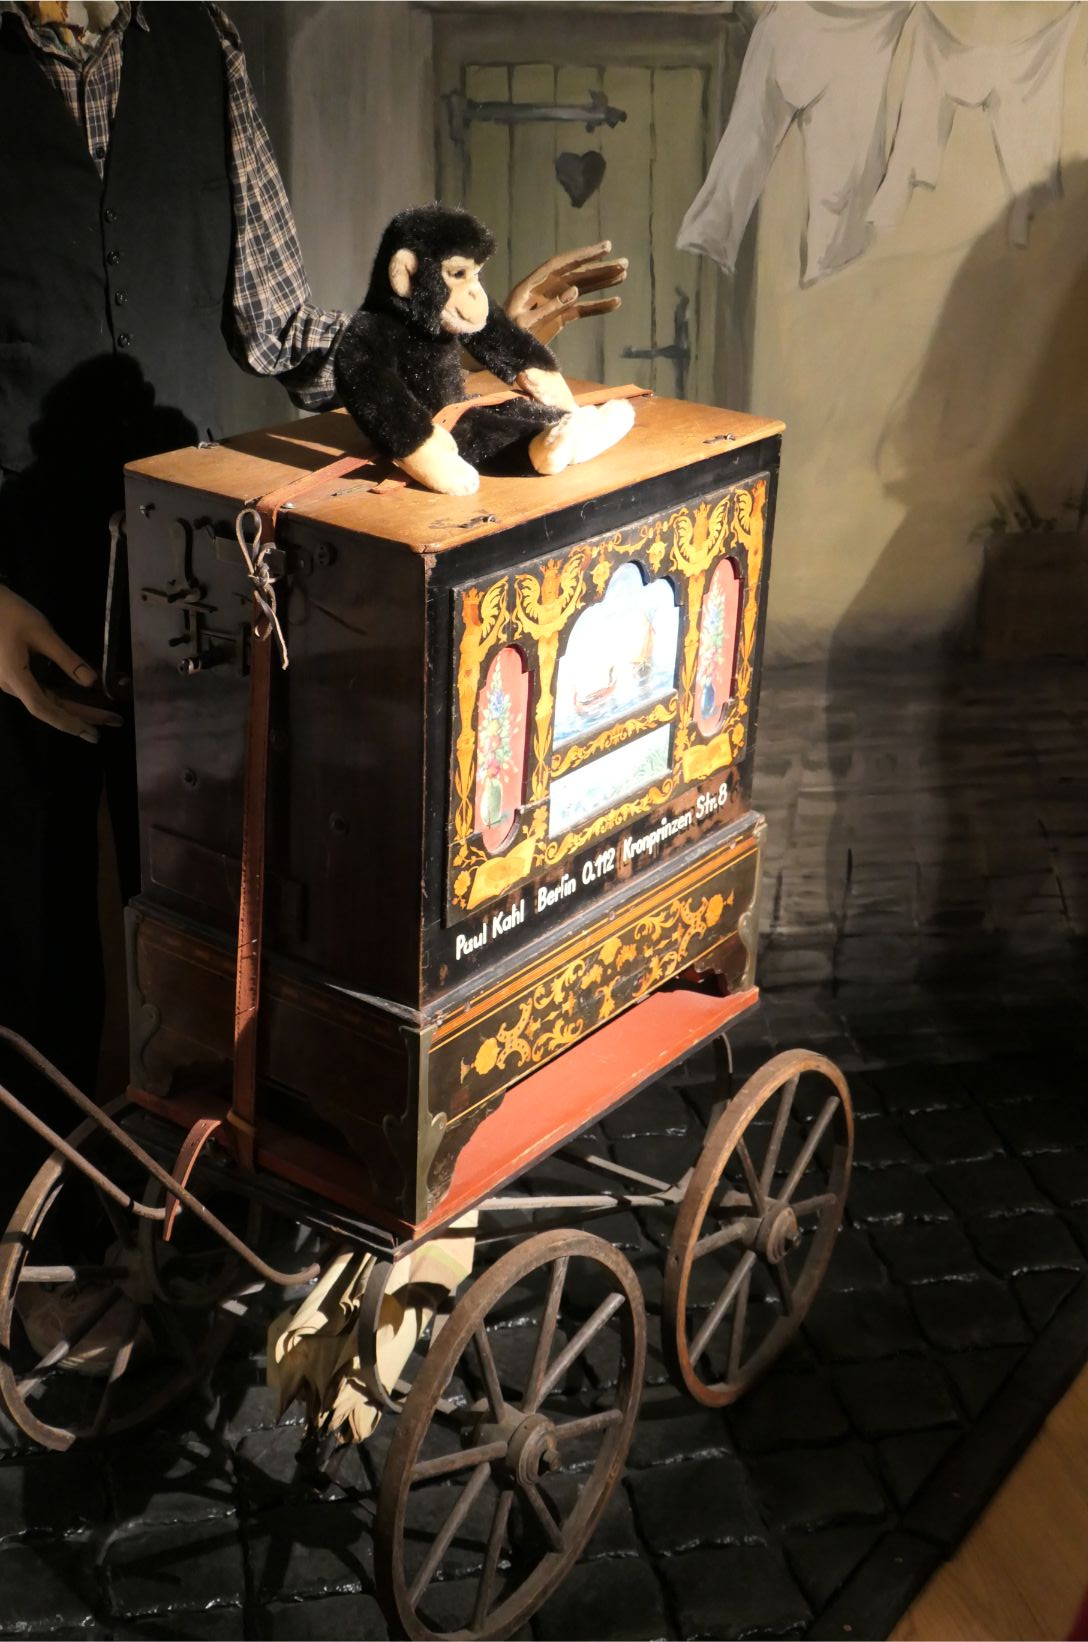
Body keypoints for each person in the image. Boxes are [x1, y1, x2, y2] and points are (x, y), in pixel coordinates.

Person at [0, 0, 626, 1210]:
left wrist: (454, 344)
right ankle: (28, 1252)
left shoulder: (199, 44)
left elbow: (285, 327)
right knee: (23, 927)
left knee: (212, 910)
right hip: (18, 574)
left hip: (189, 564)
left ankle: (193, 1221)